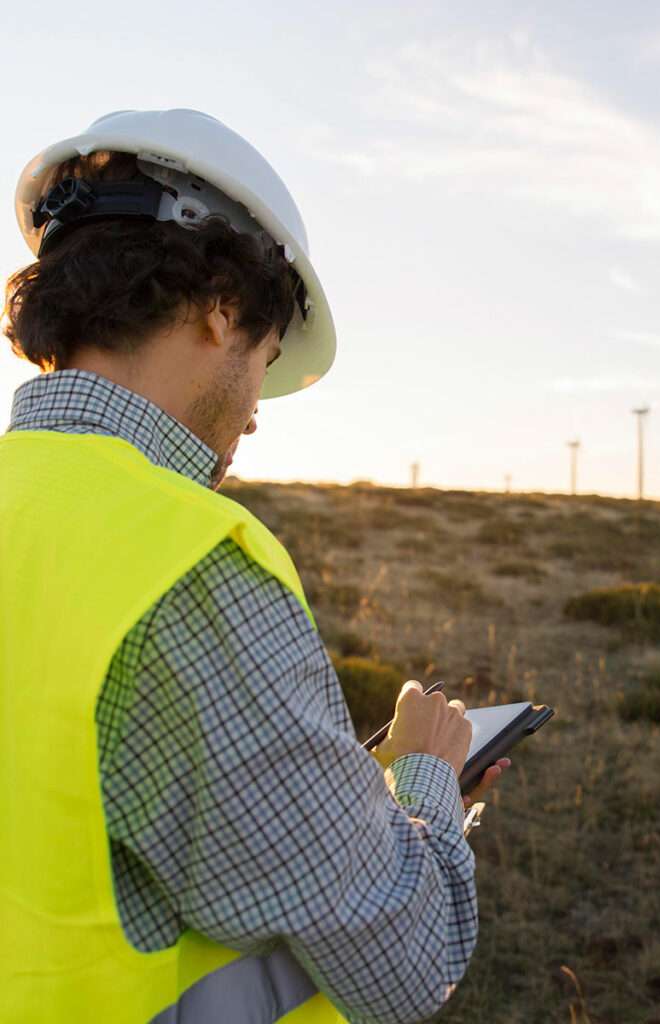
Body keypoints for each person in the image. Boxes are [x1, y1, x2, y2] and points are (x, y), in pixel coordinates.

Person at [0, 109, 507, 1024]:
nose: (257, 414)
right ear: (223, 306)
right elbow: (404, 962)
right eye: (265, 364)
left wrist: (340, 787)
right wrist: (425, 777)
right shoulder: (183, 564)